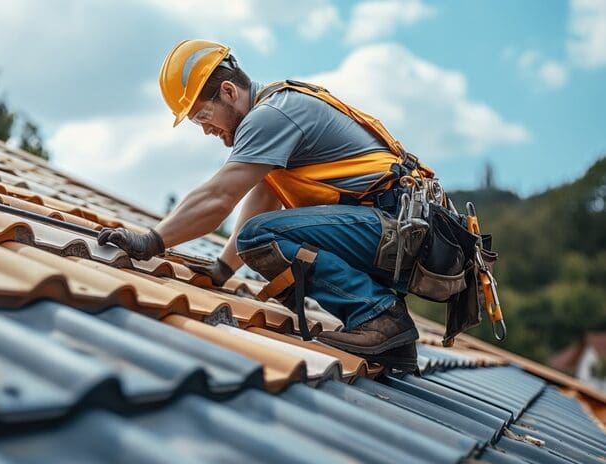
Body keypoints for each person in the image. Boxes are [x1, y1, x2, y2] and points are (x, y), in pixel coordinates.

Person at [98, 39, 437, 372]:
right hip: (397, 229)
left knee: (258, 238)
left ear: (229, 92)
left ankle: (379, 316)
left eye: (203, 115)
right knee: (259, 235)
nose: (206, 131)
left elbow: (218, 198)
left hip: (396, 228)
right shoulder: (277, 113)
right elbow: (264, 196)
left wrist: (151, 241)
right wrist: (223, 269)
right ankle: (388, 336)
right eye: (196, 122)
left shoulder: (270, 116)